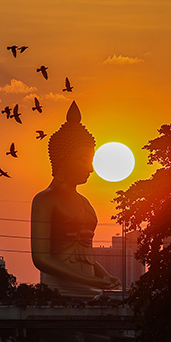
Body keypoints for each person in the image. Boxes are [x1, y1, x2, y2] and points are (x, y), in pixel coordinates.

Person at [31, 101, 121, 298]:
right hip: (58, 291)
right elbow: (41, 258)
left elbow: (83, 255)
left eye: (91, 160)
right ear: (62, 160)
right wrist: (88, 280)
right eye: (83, 159)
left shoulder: (85, 202)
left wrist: (104, 276)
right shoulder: (45, 200)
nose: (90, 168)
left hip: (92, 290)